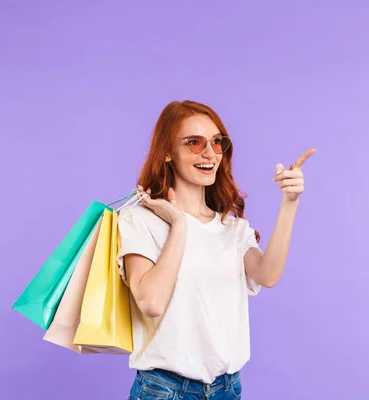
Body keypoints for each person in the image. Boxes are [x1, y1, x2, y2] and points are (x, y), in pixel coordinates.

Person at [116, 100, 314, 400]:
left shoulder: (231, 228)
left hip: (227, 389)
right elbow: (152, 302)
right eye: (194, 143)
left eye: (217, 142)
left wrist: (290, 203)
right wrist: (179, 225)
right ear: (167, 152)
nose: (209, 153)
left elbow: (268, 275)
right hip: (164, 390)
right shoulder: (139, 220)